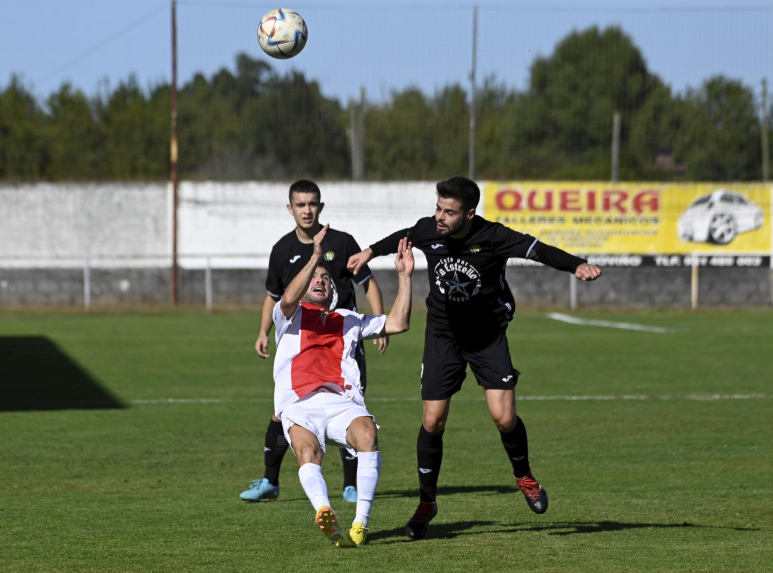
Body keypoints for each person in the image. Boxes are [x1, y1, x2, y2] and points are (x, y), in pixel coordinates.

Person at [347, 175, 602, 541]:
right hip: (443, 336)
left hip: (487, 336)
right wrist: (369, 252)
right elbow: (404, 236)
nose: (439, 217)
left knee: (504, 417)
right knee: (432, 421)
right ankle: (427, 503)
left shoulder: (494, 236)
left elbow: (540, 249)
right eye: (438, 207)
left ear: (469, 213)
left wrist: (576, 265)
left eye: (449, 212)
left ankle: (525, 477)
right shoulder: (428, 229)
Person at [240, 180, 388, 503]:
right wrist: (263, 331)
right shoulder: (282, 250)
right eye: (300, 204)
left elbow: (368, 282)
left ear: (320, 207)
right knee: (282, 412)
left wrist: (381, 324)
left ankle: (350, 485)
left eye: (312, 204)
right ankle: (270, 481)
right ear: (290, 208)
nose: (307, 210)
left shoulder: (343, 241)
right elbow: (273, 297)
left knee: (349, 405)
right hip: (301, 344)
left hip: (342, 341)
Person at [274, 223, 415, 547]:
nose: (321, 280)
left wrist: (404, 277)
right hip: (299, 402)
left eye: (325, 278)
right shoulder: (289, 316)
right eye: (314, 278)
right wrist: (315, 257)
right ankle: (325, 512)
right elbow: (288, 297)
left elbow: (398, 323)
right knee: (307, 451)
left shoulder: (348, 318)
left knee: (367, 434)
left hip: (341, 400)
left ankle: (359, 525)